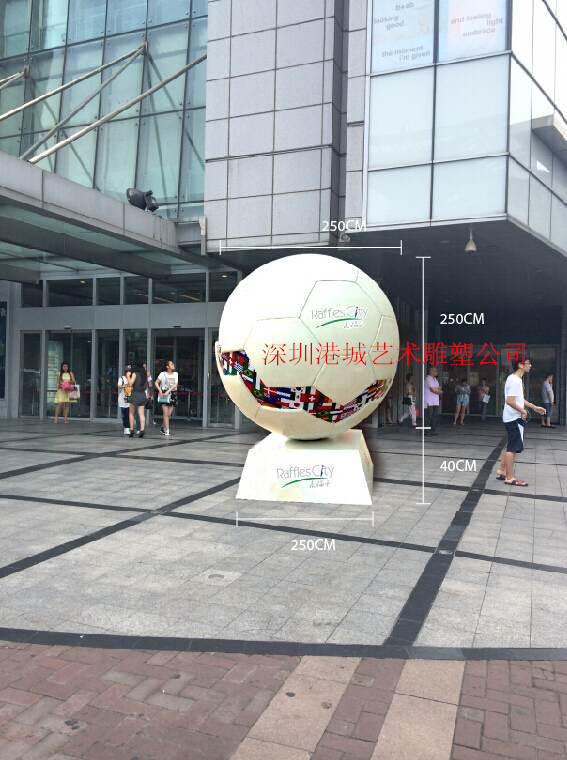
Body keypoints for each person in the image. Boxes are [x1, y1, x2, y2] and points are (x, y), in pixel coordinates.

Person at [496, 358, 546, 487]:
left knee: (512, 445)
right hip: (514, 418)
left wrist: (534, 407)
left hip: (512, 417)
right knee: (513, 448)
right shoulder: (515, 380)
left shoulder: (515, 379)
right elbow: (510, 401)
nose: (530, 365)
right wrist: (523, 411)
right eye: (528, 363)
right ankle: (509, 477)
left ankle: (502, 470)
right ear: (520, 365)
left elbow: (519, 399)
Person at [155, 360, 179, 437]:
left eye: (173, 364)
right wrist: (160, 390)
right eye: (171, 364)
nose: (173, 365)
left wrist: (168, 391)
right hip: (164, 394)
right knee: (165, 414)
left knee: (168, 414)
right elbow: (156, 382)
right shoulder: (162, 374)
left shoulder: (175, 374)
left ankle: (162, 427)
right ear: (167, 366)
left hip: (172, 394)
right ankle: (167, 430)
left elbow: (175, 384)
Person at [126, 360, 148, 438]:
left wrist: (128, 376)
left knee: (131, 413)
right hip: (143, 394)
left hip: (135, 394)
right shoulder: (145, 374)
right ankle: (142, 430)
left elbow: (130, 383)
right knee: (141, 414)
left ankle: (131, 430)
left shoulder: (135, 374)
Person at [424, 366, 442, 435]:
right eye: (435, 371)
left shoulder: (435, 380)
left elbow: (439, 389)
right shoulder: (428, 378)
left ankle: (432, 431)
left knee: (434, 417)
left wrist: (437, 390)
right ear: (431, 371)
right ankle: (426, 431)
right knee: (428, 416)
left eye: (436, 371)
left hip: (435, 401)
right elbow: (433, 390)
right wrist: (438, 391)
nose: (436, 372)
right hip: (428, 401)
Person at [117, 366, 132, 435]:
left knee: (128, 413)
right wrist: (125, 386)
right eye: (128, 371)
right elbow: (119, 385)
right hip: (122, 398)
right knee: (124, 414)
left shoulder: (131, 378)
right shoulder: (122, 378)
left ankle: (128, 428)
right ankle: (126, 427)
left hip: (129, 397)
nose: (129, 372)